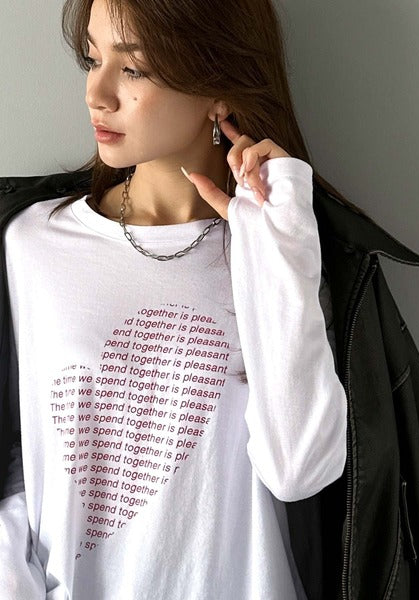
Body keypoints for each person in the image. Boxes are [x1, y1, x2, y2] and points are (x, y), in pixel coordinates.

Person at [0, 0, 350, 598]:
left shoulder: (275, 251)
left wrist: (281, 241)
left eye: (133, 68)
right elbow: (18, 460)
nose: (96, 94)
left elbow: (299, 471)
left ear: (219, 89)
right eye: (92, 59)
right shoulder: (32, 244)